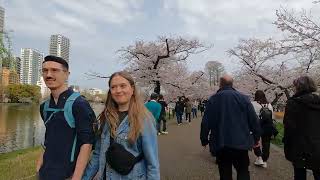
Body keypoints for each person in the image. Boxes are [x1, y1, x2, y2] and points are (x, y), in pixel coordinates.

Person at [82, 71, 160, 180]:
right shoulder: (106, 118)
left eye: (123, 86)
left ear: (132, 89)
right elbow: (98, 154)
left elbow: (152, 163)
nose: (118, 90)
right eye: (113, 87)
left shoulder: (144, 119)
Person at [37, 55, 95, 180]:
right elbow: (49, 138)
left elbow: (87, 144)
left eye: (54, 70)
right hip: (45, 174)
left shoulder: (79, 105)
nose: (48, 75)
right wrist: (38, 167)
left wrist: (76, 177)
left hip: (68, 174)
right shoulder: (44, 106)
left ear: (66, 74)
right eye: (45, 70)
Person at [200, 74, 261, 180]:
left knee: (224, 173)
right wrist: (256, 138)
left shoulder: (213, 99)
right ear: (232, 84)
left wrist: (204, 139)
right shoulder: (244, 98)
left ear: (220, 84)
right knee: (242, 171)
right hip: (241, 142)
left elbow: (206, 122)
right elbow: (253, 120)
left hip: (221, 142)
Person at [283, 76, 320, 180]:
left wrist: (287, 146)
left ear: (298, 87)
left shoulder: (293, 103)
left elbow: (289, 127)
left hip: (299, 147)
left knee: (299, 175)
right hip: (318, 146)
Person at [251, 90, 274, 168]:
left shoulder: (253, 104)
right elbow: (272, 117)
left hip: (257, 126)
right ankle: (264, 160)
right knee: (266, 143)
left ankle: (259, 157)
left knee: (255, 141)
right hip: (267, 127)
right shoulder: (269, 105)